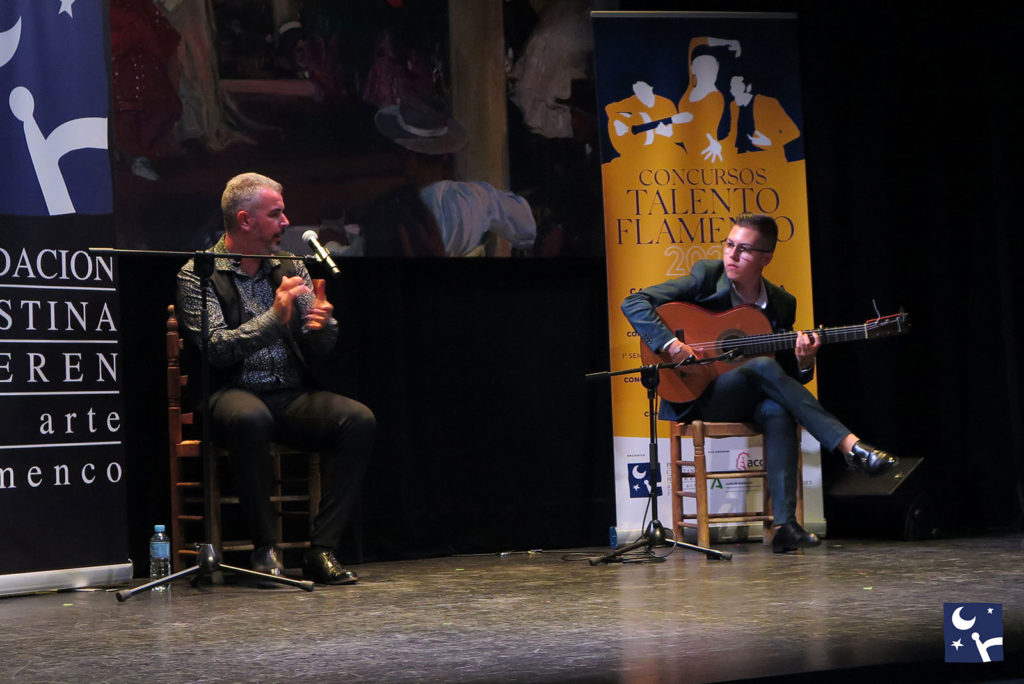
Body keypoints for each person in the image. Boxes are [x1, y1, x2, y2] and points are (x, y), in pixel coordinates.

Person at [621, 213, 899, 553]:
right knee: (762, 368)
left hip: (746, 397)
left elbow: (783, 377)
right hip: (699, 394)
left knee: (778, 410)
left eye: (744, 249)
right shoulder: (707, 277)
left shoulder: (782, 303)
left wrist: (805, 362)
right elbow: (633, 302)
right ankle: (850, 447)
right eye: (729, 244)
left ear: (766, 258)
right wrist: (672, 344)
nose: (732, 254)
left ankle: (785, 527)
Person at [176, 172, 375, 584]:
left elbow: (319, 347)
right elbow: (217, 349)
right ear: (245, 220)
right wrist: (274, 318)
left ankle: (321, 550)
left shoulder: (290, 265)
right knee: (251, 418)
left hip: (286, 393)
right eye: (276, 214)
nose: (286, 222)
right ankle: (264, 549)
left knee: (358, 420)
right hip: (228, 393)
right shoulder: (199, 273)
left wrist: (324, 324)